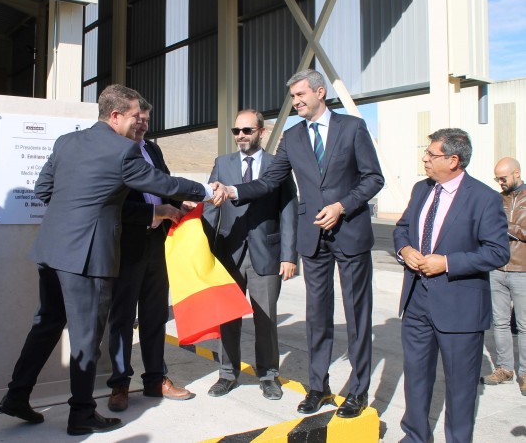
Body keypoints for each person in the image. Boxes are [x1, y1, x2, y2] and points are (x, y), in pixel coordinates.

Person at [0, 84, 225, 436]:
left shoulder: (66, 142)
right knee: (87, 338)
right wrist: (208, 190)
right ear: (115, 115)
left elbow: (44, 191)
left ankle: (16, 395)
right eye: (136, 115)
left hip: (51, 251)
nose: (139, 123)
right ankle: (82, 414)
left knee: (47, 324)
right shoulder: (123, 152)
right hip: (87, 256)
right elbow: (160, 181)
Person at [220, 69, 384, 418]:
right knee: (317, 317)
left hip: (350, 231)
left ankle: (358, 391)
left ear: (320, 92)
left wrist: (342, 206)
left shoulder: (352, 128)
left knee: (357, 315)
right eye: (292, 97)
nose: (295, 102)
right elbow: (268, 182)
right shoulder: (291, 138)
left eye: (299, 95)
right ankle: (317, 387)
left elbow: (374, 178)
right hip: (314, 238)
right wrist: (233, 190)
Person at [394, 129, 509, 442]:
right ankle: (415, 436)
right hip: (416, 301)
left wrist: (447, 262)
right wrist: (405, 250)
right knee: (416, 378)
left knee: (460, 387)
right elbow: (402, 228)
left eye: (431, 154)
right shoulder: (421, 189)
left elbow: (498, 251)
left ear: (453, 160)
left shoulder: (483, 198)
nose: (425, 159)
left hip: (460, 307)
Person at [106, 99, 195, 412]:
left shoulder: (153, 150)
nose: (142, 124)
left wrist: (179, 204)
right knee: (121, 319)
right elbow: (112, 204)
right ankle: (119, 384)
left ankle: (156, 378)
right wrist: (155, 210)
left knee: (155, 315)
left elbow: (165, 184)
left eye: (146, 119)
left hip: (158, 244)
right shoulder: (113, 151)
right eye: (138, 118)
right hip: (126, 246)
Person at [202, 109, 298, 400]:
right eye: (236, 131)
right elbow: (210, 206)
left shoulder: (277, 165)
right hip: (228, 253)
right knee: (228, 317)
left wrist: (289, 256)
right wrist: (203, 248)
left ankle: (268, 375)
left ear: (261, 132)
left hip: (265, 254)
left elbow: (289, 212)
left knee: (265, 319)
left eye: (247, 131)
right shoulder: (223, 164)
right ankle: (227, 374)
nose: (241, 136)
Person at [481, 157, 526, 396]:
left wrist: (506, 226)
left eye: (503, 178)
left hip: (522, 270)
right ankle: (504, 369)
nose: (499, 182)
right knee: (499, 323)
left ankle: (525, 373)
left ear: (516, 174)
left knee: (524, 325)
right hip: (496, 269)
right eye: (497, 178)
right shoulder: (496, 200)